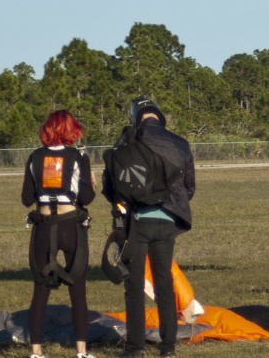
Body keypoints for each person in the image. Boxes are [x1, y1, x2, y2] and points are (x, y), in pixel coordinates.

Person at [102, 97, 195, 358]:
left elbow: (110, 184)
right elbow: (189, 187)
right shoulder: (179, 143)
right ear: (159, 116)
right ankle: (168, 348)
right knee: (164, 283)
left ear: (135, 116)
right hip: (166, 221)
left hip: (137, 223)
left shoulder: (126, 140)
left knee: (133, 286)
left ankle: (135, 349)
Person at [21, 110, 97, 358]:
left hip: (43, 226)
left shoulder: (35, 157)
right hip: (70, 225)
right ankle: (81, 351)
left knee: (40, 289)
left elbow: (26, 199)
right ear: (71, 130)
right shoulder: (77, 157)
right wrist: (91, 183)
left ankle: (36, 351)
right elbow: (86, 198)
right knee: (78, 290)